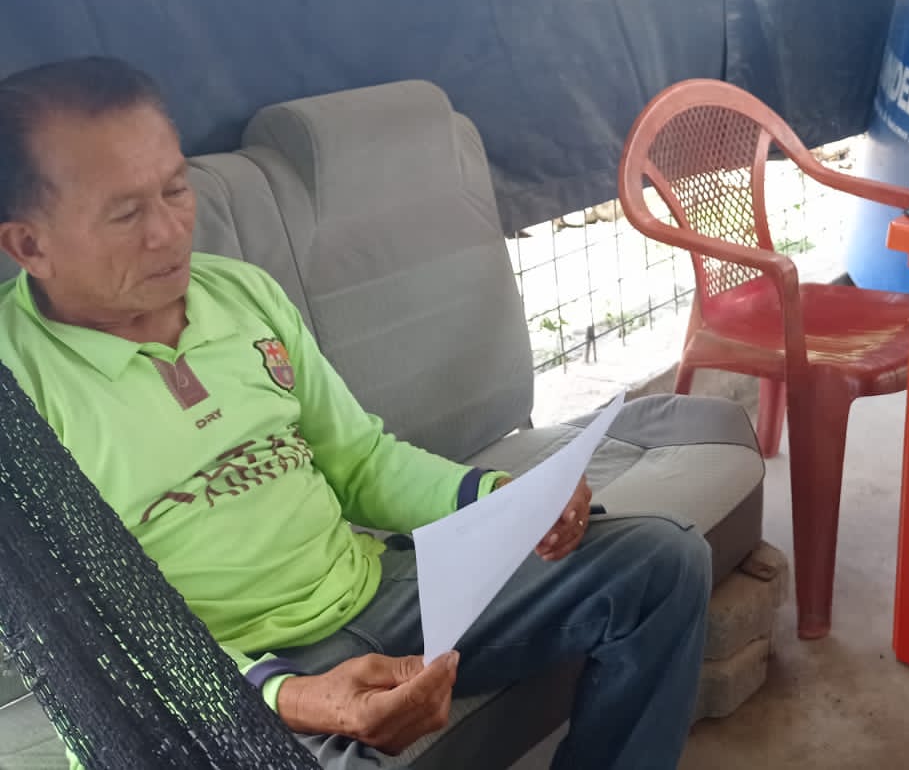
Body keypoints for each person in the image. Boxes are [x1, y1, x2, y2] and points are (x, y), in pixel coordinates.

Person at [0, 57, 712, 769]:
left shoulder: (241, 294)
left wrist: (500, 499)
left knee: (659, 564)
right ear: (30, 245)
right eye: (126, 214)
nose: (169, 230)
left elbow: (359, 462)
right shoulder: (15, 391)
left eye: (176, 189)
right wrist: (292, 694)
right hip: (215, 684)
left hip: (368, 591)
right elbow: (84, 635)